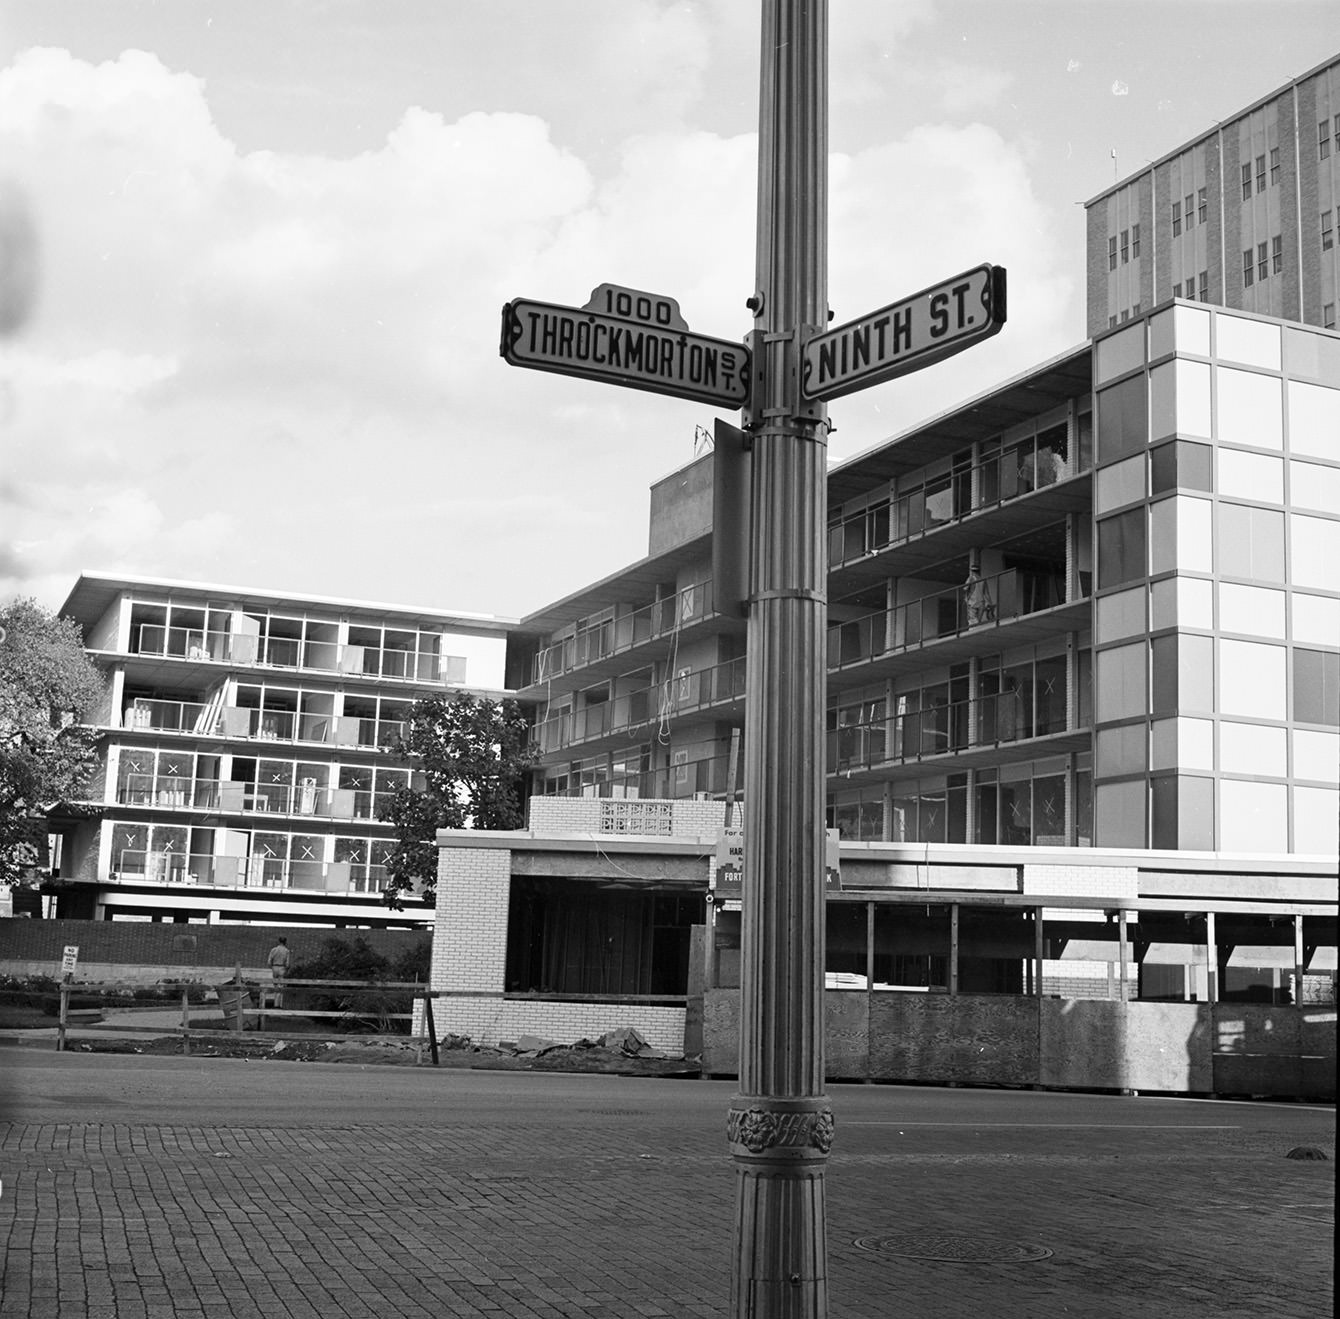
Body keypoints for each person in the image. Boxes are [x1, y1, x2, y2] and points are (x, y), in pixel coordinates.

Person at [267, 937, 290, 1006]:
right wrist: (286, 970)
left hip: (274, 967)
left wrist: (272, 967)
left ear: (279, 941)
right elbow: (287, 963)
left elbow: (269, 961)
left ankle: (275, 1003)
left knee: (275, 986)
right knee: (281, 986)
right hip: (282, 968)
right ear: (285, 942)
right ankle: (278, 1004)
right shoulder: (286, 951)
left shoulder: (273, 950)